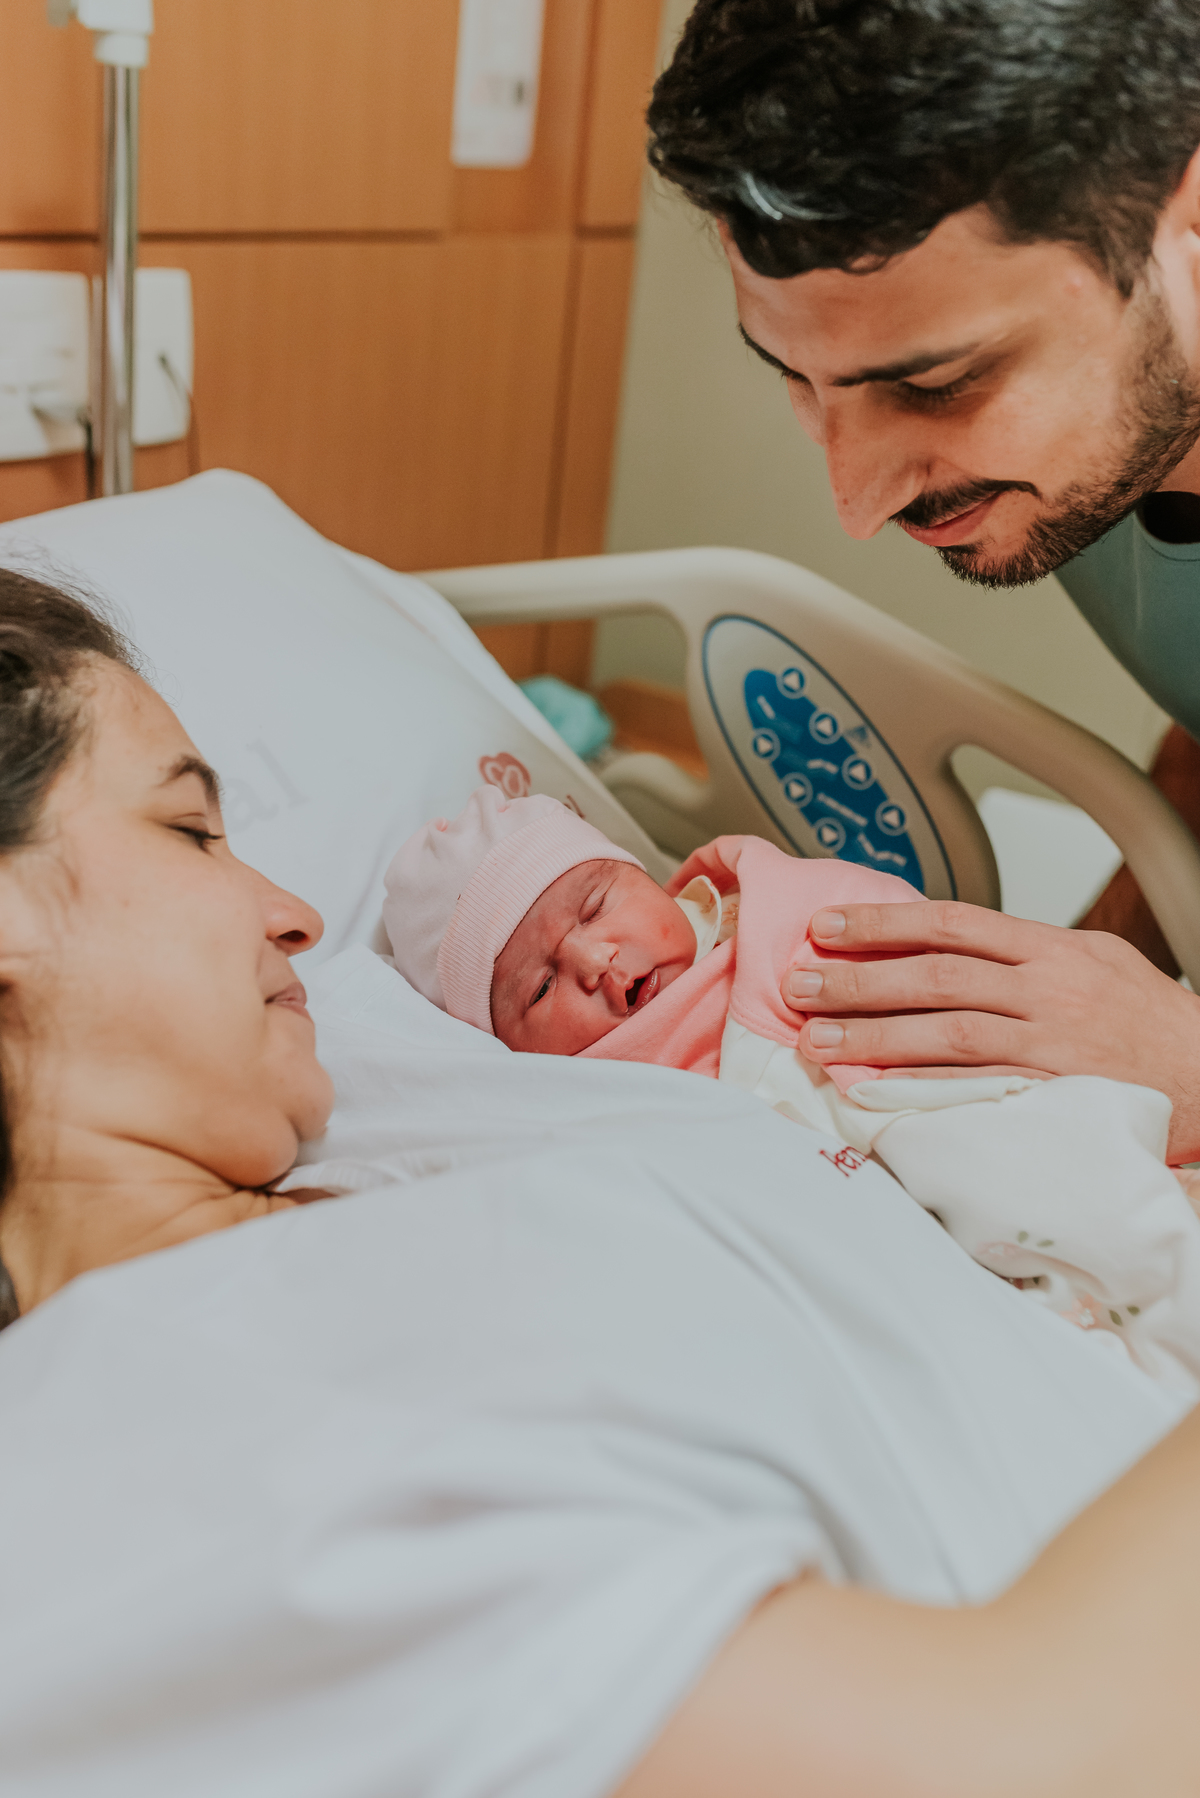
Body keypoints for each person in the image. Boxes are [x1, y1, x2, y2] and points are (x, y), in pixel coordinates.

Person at [7, 561, 1200, 1798]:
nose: (302, 913)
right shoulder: (238, 1431)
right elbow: (1040, 1755)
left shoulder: (354, 1073)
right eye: (191, 830)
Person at [646, 0, 1200, 1162]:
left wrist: (1180, 1056)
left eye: (937, 385)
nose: (860, 504)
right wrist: (1050, 1005)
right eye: (799, 381)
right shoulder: (1094, 447)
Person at [385, 787, 1200, 1389]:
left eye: (596, 905)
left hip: (947, 1100)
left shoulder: (776, 918)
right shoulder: (591, 1105)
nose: (593, 960)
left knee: (1076, 1184)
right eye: (537, 989)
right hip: (867, 1234)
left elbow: (907, 944)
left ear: (658, 883)